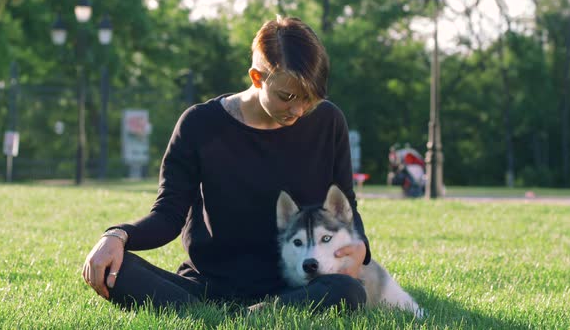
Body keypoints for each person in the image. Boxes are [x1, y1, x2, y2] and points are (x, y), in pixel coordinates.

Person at [82, 16, 371, 311]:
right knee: (115, 268)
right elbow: (168, 215)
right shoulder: (198, 124)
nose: (298, 109)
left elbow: (346, 203)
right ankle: (238, 316)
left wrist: (360, 244)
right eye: (287, 96)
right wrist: (117, 236)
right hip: (208, 286)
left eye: (310, 98)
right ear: (257, 77)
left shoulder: (328, 122)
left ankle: (230, 318)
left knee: (347, 291)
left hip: (294, 285)